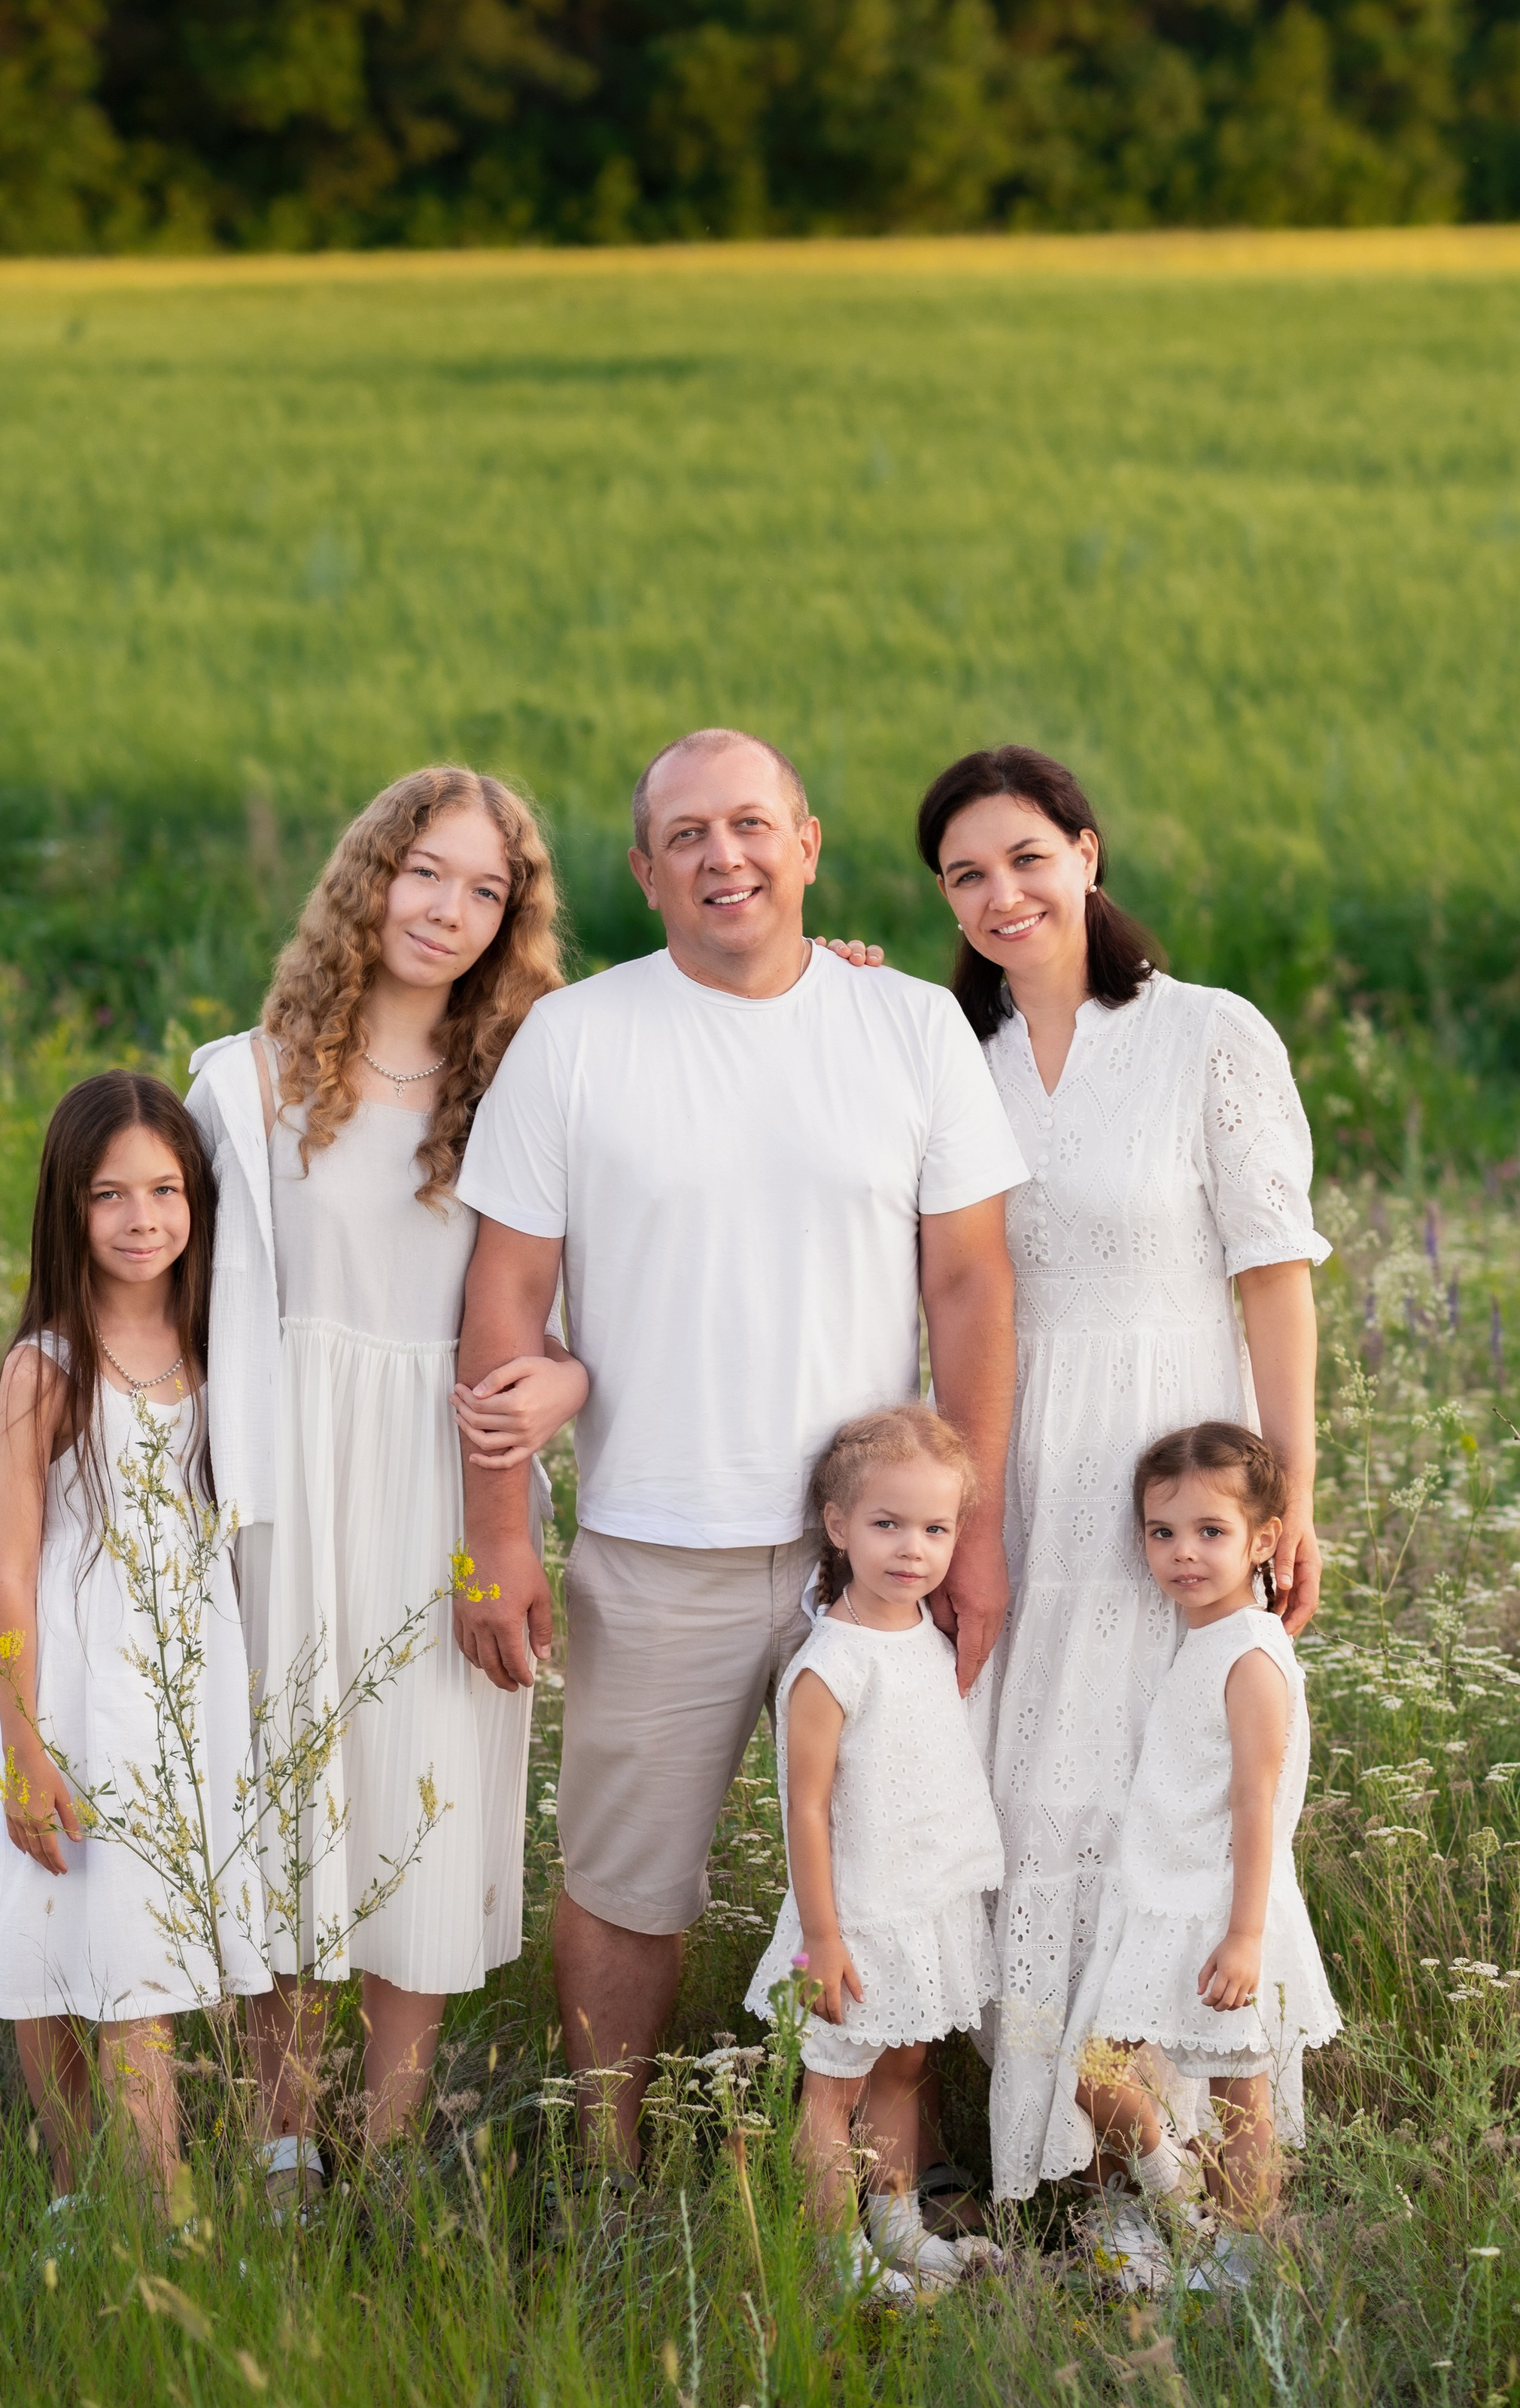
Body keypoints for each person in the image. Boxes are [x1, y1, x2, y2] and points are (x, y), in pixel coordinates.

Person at [453, 727, 1027, 2178]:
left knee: (897, 1875)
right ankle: (606, 2170)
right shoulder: (574, 1041)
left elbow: (968, 1288)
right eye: (691, 835)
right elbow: (503, 1304)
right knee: (631, 1885)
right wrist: (502, 1538)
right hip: (657, 1543)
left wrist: (979, 1533)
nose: (728, 855)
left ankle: (890, 2181)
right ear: (647, 873)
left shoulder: (906, 1028)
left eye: (753, 825)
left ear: (808, 843)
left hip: (875, 1564)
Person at [914, 743, 1330, 2200]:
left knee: (1180, 1792)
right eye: (963, 873)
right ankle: (1094, 2170)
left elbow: (1272, 1275)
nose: (1000, 891)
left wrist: (1289, 1495)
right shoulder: (933, 1050)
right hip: (1012, 1463)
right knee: (1032, 1795)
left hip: (1171, 1463)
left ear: (1086, 852)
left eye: (1025, 855)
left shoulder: (1205, 1031)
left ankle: (1219, 2179)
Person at [184, 767, 585, 2203]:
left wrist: (573, 1383)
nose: (453, 910)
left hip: (452, 1476)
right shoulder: (246, 1077)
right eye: (430, 873)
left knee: (427, 1787)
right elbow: (169, 1305)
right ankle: (284, 2137)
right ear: (372, 876)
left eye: (489, 891)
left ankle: (397, 2141)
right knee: (287, 1792)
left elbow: (595, 1302)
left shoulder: (538, 1079)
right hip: (289, 1472)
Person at [0, 1071, 270, 2215]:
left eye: (166, 1190)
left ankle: (156, 2187)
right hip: (71, 1684)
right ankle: (100, 2187)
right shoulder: (49, 1367)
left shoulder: (221, 1346)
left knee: (143, 1946)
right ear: (67, 1209)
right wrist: (27, 1749)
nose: (143, 1220)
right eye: (110, 1195)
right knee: (46, 1933)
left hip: (183, 1690)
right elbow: (9, 1570)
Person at [1046, 1422, 1341, 2291]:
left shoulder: (1250, 1654)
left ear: (1261, 1540)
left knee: (1238, 2093)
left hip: (1223, 1907)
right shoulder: (1201, 1639)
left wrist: (1244, 1933)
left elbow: (1258, 1804)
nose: (1182, 1553)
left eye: (1210, 1532)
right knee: (1094, 2072)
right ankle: (1178, 2200)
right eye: (1162, 1532)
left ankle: (1245, 2256)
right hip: (1162, 1900)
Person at [743, 1406, 1005, 2299]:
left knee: (904, 2065)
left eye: (935, 1528)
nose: (911, 1548)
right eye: (886, 1523)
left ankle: (895, 2224)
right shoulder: (831, 1662)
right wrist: (822, 1937)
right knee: (832, 2089)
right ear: (838, 1525)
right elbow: (804, 1808)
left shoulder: (928, 1636)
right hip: (853, 1915)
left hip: (923, 1903)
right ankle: (832, 2256)